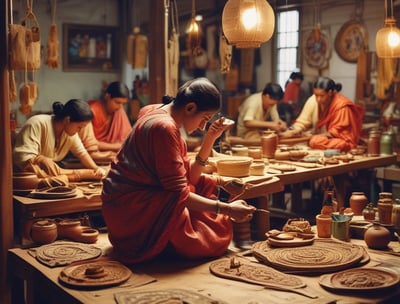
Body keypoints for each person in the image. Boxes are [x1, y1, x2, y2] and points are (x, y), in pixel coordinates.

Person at [102, 78, 256, 264]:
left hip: (125, 204)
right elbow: (178, 194)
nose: (202, 126)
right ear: (190, 108)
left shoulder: (154, 110)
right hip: (131, 211)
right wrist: (228, 209)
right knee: (210, 237)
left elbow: (188, 176)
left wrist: (210, 139)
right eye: (205, 119)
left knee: (200, 192)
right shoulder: (164, 128)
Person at [13, 99, 106, 180]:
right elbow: (22, 158)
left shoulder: (70, 132)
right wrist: (41, 159)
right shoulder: (37, 123)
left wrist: (96, 168)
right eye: (79, 127)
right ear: (67, 120)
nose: (79, 131)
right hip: (24, 176)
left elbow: (82, 153)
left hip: (46, 175)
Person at [281, 76, 365, 152]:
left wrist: (312, 137)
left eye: (321, 96)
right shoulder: (313, 100)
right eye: (316, 95)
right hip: (321, 137)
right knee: (306, 141)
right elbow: (303, 121)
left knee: (315, 141)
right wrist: (293, 131)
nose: (318, 99)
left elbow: (336, 132)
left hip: (339, 139)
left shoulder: (341, 105)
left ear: (330, 93)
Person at [82, 81, 132, 152]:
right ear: (107, 96)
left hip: (111, 153)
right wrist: (117, 146)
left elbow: (128, 142)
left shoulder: (119, 112)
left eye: (123, 104)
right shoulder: (92, 110)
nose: (120, 106)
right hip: (91, 152)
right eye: (117, 102)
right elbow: (88, 143)